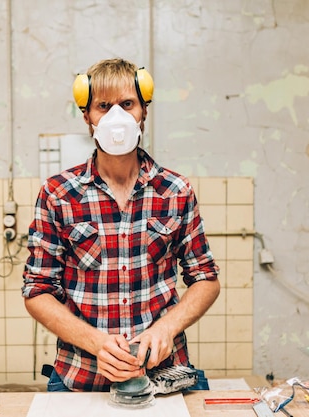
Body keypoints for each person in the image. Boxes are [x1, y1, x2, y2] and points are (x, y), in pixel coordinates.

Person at [22, 57, 220, 392]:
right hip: (82, 380)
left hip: (162, 377)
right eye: (103, 106)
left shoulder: (175, 191)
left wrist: (166, 329)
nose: (117, 117)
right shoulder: (58, 194)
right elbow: (37, 291)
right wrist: (95, 342)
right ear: (87, 115)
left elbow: (206, 279)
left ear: (144, 110)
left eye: (127, 104)